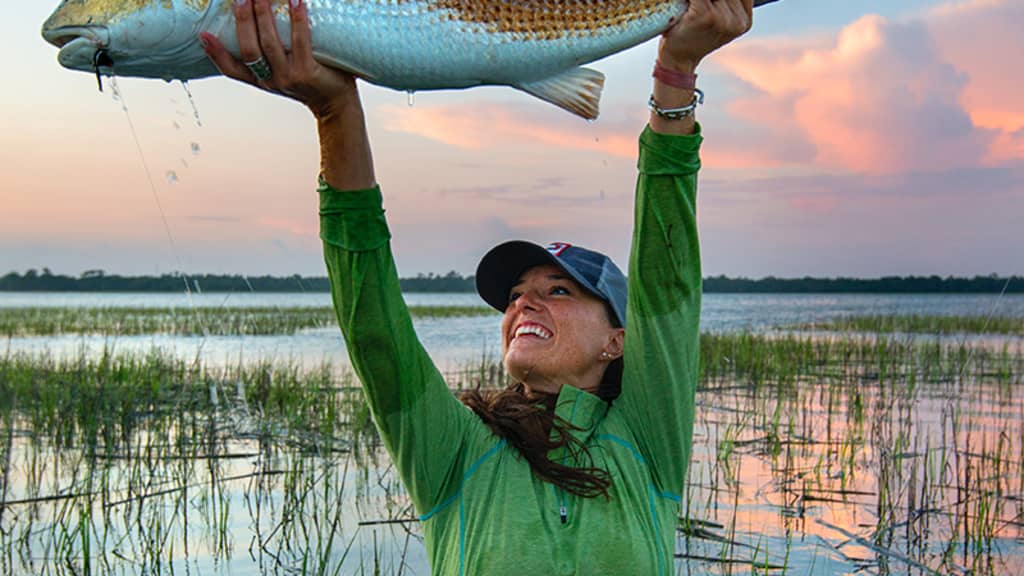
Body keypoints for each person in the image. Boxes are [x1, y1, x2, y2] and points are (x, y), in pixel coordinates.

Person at [201, 1, 752, 573]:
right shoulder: (455, 450)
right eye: (515, 295)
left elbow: (668, 279)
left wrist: (676, 74)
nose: (522, 304)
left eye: (558, 291)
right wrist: (336, 110)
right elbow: (375, 328)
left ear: (616, 339)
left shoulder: (646, 439)